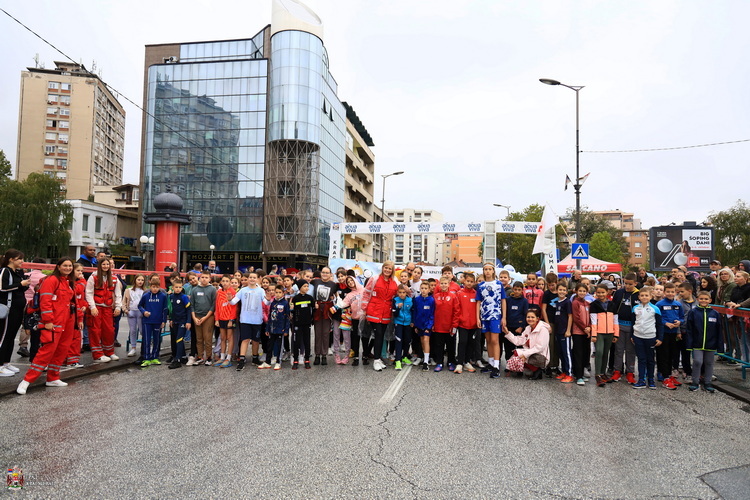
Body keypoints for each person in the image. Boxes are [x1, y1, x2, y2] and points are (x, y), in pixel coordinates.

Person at [16, 258, 80, 394]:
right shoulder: (51, 280)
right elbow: (45, 301)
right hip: (54, 321)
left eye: (70, 266)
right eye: (65, 265)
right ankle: (26, 381)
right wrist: (48, 320)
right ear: (58, 266)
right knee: (46, 351)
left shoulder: (68, 281)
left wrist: (77, 319)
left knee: (61, 350)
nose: (68, 268)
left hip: (67, 321)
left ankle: (53, 378)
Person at [361, 261, 398, 372]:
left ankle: (378, 358)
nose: (387, 270)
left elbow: (398, 294)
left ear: (392, 270)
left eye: (390, 268)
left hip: (386, 312)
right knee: (378, 334)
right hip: (374, 311)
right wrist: (364, 309)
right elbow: (366, 293)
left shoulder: (394, 282)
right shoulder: (374, 279)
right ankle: (376, 360)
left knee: (381, 336)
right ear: (382, 268)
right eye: (386, 267)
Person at [85, 258, 123, 363]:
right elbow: (88, 293)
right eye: (104, 264)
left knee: (109, 330)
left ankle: (109, 352)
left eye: (107, 264)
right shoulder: (93, 277)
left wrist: (118, 307)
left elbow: (118, 294)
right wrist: (92, 307)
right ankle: (98, 355)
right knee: (95, 331)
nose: (106, 266)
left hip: (108, 307)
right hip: (96, 307)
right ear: (99, 265)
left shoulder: (114, 278)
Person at [0, 250, 31, 377]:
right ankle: (0, 365)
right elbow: (2, 288)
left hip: (17, 308)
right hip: (8, 308)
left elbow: (19, 288)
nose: (22, 261)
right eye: (19, 259)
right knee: (4, 336)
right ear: (11, 259)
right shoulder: (5, 271)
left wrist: (25, 284)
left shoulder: (17, 272)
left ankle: (6, 362)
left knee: (11, 336)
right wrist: (20, 284)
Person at [686, 291, 723, 392]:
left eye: (706, 299)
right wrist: (689, 344)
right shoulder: (693, 312)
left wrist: (720, 346)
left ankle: (708, 382)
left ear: (710, 300)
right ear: (698, 299)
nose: (703, 300)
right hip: (697, 343)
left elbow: (719, 331)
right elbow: (689, 329)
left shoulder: (715, 313)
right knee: (697, 361)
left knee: (709, 363)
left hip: (711, 344)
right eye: (701, 298)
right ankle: (695, 381)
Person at [230, 271, 266, 371]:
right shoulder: (243, 290)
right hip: (245, 319)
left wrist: (267, 299)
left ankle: (255, 358)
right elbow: (233, 302)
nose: (252, 279)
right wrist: (229, 299)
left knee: (255, 340)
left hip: (257, 320)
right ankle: (242, 359)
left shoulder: (261, 290)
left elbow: (266, 302)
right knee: (245, 340)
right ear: (248, 278)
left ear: (258, 279)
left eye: (254, 277)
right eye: (250, 277)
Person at [477, 262, 507, 378]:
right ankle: (490, 363)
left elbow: (503, 300)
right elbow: (478, 302)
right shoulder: (481, 285)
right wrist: (477, 317)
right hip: (485, 316)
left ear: (493, 271)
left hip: (495, 315)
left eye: (490, 269)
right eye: (486, 269)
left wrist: (504, 317)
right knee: (488, 340)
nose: (488, 271)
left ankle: (496, 365)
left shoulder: (498, 284)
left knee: (495, 340)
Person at [610, 273, 639, 384]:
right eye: (625, 283)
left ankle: (630, 372)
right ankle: (617, 371)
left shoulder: (638, 294)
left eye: (630, 284)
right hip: (619, 325)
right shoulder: (619, 293)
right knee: (618, 350)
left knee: (631, 351)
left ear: (635, 283)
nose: (627, 286)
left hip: (632, 326)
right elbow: (613, 308)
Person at [504, 309, 550, 380]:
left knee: (519, 355)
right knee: (516, 353)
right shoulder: (528, 328)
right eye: (528, 317)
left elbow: (540, 347)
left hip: (541, 356)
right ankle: (530, 370)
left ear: (537, 318)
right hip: (531, 354)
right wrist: (507, 333)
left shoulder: (543, 329)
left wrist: (525, 354)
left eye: (532, 317)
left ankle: (537, 370)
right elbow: (519, 341)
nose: (530, 319)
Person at [631, 287, 663, 389]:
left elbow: (659, 324)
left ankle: (651, 380)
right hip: (638, 336)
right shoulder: (635, 308)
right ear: (639, 297)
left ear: (651, 296)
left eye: (646, 295)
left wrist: (660, 338)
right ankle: (641, 380)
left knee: (650, 360)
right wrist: (632, 335)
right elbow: (633, 322)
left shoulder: (655, 309)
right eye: (642, 295)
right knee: (641, 359)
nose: (644, 297)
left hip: (650, 337)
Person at [656, 283, 685, 390]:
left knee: (672, 355)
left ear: (675, 292)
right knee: (663, 354)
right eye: (668, 291)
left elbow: (682, 317)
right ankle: (664, 377)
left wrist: (679, 322)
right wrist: (665, 323)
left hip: (674, 333)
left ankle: (669, 375)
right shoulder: (659, 304)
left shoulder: (678, 304)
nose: (670, 293)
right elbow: (657, 318)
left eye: (672, 292)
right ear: (664, 292)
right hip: (663, 333)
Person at [589, 284, 619, 387]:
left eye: (603, 292)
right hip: (599, 333)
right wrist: (594, 334)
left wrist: (616, 334)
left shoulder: (612, 304)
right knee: (599, 352)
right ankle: (597, 374)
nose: (601, 294)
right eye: (598, 292)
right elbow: (593, 321)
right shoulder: (594, 304)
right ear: (596, 293)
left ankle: (603, 373)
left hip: (610, 332)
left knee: (606, 353)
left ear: (607, 292)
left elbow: (615, 320)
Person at [18, 258, 46, 358]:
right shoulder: (44, 277)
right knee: (36, 325)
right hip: (36, 304)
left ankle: (23, 346)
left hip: (24, 302)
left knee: (25, 324)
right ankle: (36, 346)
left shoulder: (26, 275)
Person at [188, 270, 217, 366]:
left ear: (210, 279)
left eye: (206, 277)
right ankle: (200, 357)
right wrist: (194, 317)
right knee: (199, 338)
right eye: (202, 277)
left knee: (207, 338)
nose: (204, 279)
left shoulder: (212, 289)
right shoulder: (195, 289)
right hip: (197, 316)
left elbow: (213, 305)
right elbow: (192, 305)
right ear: (200, 278)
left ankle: (209, 357)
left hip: (208, 316)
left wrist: (205, 317)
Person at [138, 277, 168, 367]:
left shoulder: (163, 296)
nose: (155, 289)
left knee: (156, 340)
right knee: (146, 340)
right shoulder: (146, 296)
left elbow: (165, 309)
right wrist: (144, 312)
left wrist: (164, 321)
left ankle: (155, 357)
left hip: (158, 321)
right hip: (147, 321)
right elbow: (140, 306)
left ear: (159, 287)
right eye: (153, 287)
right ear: (150, 286)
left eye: (157, 287)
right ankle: (146, 358)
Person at [310, 267, 337, 365]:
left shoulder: (333, 285)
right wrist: (313, 303)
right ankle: (317, 354)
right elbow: (309, 293)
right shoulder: (314, 282)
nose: (325, 274)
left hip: (327, 310)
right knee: (318, 333)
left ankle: (324, 355)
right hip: (317, 309)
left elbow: (336, 297)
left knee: (326, 333)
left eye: (327, 272)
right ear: (321, 273)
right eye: (323, 272)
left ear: (330, 274)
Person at [261, 285, 290, 371]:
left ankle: (278, 362)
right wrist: (267, 328)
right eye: (276, 292)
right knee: (269, 345)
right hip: (272, 328)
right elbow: (270, 316)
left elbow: (287, 318)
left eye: (279, 292)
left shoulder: (285, 303)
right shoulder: (273, 303)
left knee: (279, 346)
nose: (277, 294)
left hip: (281, 329)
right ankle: (267, 362)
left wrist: (286, 329)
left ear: (283, 293)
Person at [64, 263, 87, 368]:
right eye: (78, 271)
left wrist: (85, 305)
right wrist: (83, 281)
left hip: (78, 313)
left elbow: (81, 297)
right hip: (71, 314)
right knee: (73, 338)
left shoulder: (76, 282)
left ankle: (71, 359)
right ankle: (70, 360)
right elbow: (76, 291)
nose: (80, 273)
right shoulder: (70, 283)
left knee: (76, 338)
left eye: (81, 271)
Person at [550, 283, 574, 383]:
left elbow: (570, 316)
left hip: (565, 332)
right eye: (560, 290)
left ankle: (569, 374)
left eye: (564, 290)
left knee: (566, 353)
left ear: (566, 291)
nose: (562, 292)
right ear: (556, 291)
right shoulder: (557, 302)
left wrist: (568, 330)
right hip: (558, 331)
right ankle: (564, 371)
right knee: (561, 352)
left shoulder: (567, 302)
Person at [455, 272, 479, 374]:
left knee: (470, 343)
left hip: (473, 324)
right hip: (462, 323)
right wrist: (459, 319)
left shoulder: (476, 294)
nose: (469, 283)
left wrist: (477, 320)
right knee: (462, 342)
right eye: (468, 281)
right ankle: (459, 363)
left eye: (471, 281)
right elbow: (457, 308)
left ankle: (467, 361)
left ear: (474, 282)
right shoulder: (459, 293)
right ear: (464, 281)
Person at [504, 281, 529, 372]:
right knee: (508, 347)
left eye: (519, 290)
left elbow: (525, 314)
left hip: (519, 327)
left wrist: (522, 326)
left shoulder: (524, 301)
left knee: (519, 348)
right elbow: (505, 312)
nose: (517, 291)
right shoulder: (508, 300)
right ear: (512, 289)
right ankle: (508, 365)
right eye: (515, 289)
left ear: (522, 290)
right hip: (509, 326)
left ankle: (519, 367)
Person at [571, 283, 592, 386]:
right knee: (578, 353)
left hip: (586, 331)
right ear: (576, 291)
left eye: (584, 291)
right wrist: (584, 328)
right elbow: (576, 318)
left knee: (585, 353)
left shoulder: (587, 303)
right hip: (578, 332)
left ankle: (582, 373)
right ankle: (578, 375)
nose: (582, 293)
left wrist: (589, 328)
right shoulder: (575, 303)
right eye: (580, 291)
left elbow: (590, 317)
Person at [213, 275, 237, 368]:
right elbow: (217, 306)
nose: (225, 283)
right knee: (222, 338)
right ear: (221, 282)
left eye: (227, 281)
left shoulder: (232, 292)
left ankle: (228, 358)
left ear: (230, 282)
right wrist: (217, 319)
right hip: (221, 318)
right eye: (223, 281)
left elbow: (234, 307)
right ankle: (222, 357)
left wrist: (231, 319)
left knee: (229, 338)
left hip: (229, 319)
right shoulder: (219, 292)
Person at [167, 279, 191, 369]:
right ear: (172, 288)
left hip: (182, 321)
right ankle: (183, 356)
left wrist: (188, 321)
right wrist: (171, 319)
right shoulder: (171, 297)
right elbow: (171, 310)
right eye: (176, 287)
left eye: (180, 287)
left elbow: (188, 310)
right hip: (175, 321)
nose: (178, 289)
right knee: (176, 339)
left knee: (179, 339)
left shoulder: (184, 297)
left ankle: (177, 360)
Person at [290, 281, 314, 369]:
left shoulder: (310, 298)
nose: (307, 288)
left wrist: (311, 319)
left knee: (307, 342)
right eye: (304, 286)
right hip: (297, 323)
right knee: (296, 342)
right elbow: (292, 311)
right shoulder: (295, 298)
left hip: (307, 323)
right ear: (300, 288)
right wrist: (291, 309)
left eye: (307, 286)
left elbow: (313, 309)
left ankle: (306, 360)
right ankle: (295, 360)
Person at [330, 269, 352, 364]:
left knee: (346, 336)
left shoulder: (350, 287)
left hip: (346, 315)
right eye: (338, 277)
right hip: (336, 314)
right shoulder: (336, 286)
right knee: (336, 334)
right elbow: (331, 295)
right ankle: (337, 354)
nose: (340, 278)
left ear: (346, 276)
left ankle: (347, 355)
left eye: (342, 276)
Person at [412, 282, 435, 372]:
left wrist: (429, 326)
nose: (424, 290)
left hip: (427, 325)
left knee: (426, 340)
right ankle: (424, 357)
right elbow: (415, 312)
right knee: (422, 341)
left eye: (426, 288)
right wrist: (415, 325)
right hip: (419, 325)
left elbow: (432, 314)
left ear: (429, 290)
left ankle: (426, 362)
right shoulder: (417, 300)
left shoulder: (431, 300)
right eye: (422, 288)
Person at [677, 282, 697, 383]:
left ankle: (700, 372)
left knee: (698, 353)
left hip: (696, 331)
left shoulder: (698, 302)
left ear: (689, 291)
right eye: (679, 292)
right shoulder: (679, 303)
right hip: (684, 330)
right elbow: (677, 318)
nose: (680, 294)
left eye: (682, 291)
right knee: (685, 353)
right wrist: (678, 331)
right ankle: (687, 372)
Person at [123, 274, 146, 357]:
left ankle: (145, 347)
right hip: (131, 311)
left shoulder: (145, 291)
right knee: (132, 331)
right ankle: (133, 348)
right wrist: (126, 310)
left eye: (142, 280)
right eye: (138, 280)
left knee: (142, 331)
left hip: (141, 312)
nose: (140, 282)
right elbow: (124, 302)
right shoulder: (128, 290)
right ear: (135, 280)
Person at [392, 285, 413, 371]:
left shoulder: (410, 300)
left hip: (408, 323)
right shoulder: (395, 300)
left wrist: (412, 321)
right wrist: (398, 308)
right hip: (398, 323)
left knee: (407, 340)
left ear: (406, 293)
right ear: (397, 293)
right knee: (398, 340)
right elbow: (394, 314)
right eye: (400, 292)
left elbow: (412, 311)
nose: (402, 294)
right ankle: (398, 360)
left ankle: (404, 356)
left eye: (403, 292)